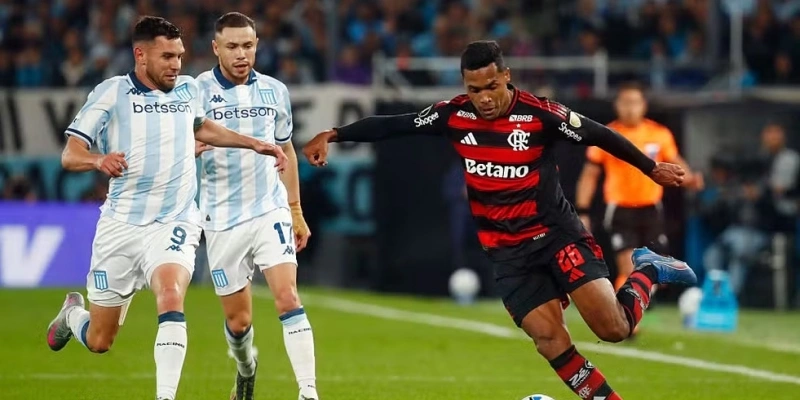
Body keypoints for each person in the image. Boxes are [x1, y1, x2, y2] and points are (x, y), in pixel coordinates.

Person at [302, 41, 696, 400]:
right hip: (507, 252)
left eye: (491, 86)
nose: (484, 98)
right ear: (465, 86)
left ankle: (648, 270)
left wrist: (649, 167)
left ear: (505, 76)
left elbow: (598, 135)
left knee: (613, 329)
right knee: (549, 340)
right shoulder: (453, 115)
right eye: (475, 90)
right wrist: (333, 134)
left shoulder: (541, 114)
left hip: (557, 236)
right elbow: (395, 124)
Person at [46, 16, 287, 400]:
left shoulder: (188, 89)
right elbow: (70, 153)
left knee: (172, 294)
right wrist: (98, 160)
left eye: (179, 55)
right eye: (167, 56)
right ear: (140, 55)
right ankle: (73, 315)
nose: (176, 64)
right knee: (100, 340)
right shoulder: (111, 93)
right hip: (121, 226)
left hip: (174, 220)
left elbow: (201, 127)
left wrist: (252, 143)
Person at [193, 12, 318, 400]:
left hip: (269, 209)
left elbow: (287, 152)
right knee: (239, 321)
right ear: (216, 48)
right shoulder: (194, 91)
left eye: (248, 45)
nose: (241, 54)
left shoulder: (275, 91)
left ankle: (308, 392)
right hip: (221, 218)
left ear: (257, 46)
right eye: (232, 46)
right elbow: (179, 147)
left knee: (288, 298)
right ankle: (246, 367)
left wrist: (295, 210)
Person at [574, 81, 703, 292]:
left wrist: (690, 179)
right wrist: (583, 211)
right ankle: (625, 319)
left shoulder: (659, 134)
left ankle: (633, 305)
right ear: (617, 105)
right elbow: (590, 175)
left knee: (653, 270)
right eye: (625, 102)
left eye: (634, 102)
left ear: (643, 105)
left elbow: (676, 162)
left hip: (651, 208)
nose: (630, 108)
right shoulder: (607, 135)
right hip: (620, 210)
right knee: (628, 265)